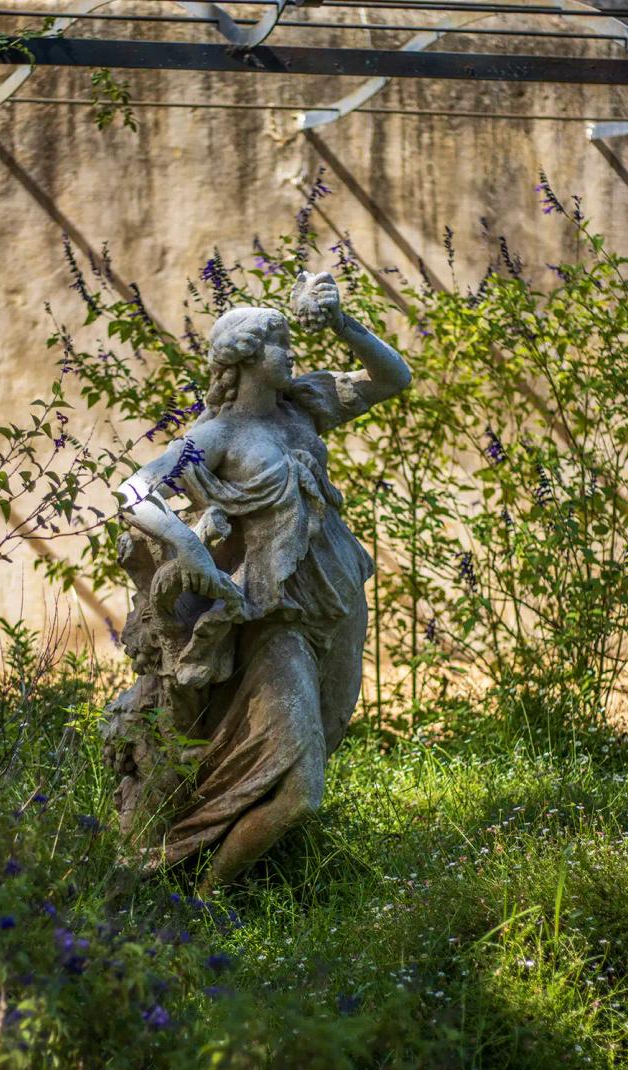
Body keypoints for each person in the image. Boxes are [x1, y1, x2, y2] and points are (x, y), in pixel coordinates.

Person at [106, 272, 411, 888]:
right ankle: (201, 895)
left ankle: (224, 886)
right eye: (280, 344)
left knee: (323, 737)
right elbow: (135, 490)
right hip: (274, 618)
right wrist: (187, 545)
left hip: (337, 601)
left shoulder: (303, 409)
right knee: (300, 791)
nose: (291, 353)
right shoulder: (216, 436)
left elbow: (393, 378)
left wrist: (342, 323)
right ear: (245, 357)